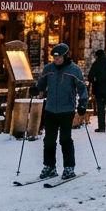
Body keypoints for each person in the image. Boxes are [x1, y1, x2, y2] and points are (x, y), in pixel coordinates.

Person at [32, 43, 88, 181]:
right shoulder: (48, 69)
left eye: (58, 58)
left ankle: (69, 167)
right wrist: (35, 89)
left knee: (65, 139)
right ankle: (49, 166)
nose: (56, 60)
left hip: (66, 110)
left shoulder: (74, 70)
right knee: (49, 140)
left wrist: (82, 104)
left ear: (65, 56)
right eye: (54, 58)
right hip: (50, 109)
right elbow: (41, 83)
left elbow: (82, 88)